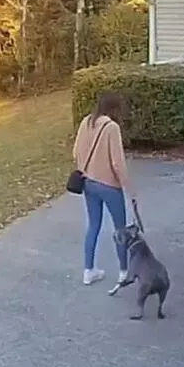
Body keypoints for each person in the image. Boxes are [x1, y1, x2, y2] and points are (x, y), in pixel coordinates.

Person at [72, 92, 134, 286]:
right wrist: (130, 188)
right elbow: (117, 163)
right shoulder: (111, 127)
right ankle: (124, 272)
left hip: (88, 183)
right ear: (114, 109)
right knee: (120, 229)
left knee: (93, 226)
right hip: (109, 186)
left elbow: (75, 152)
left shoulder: (86, 122)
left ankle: (88, 271)